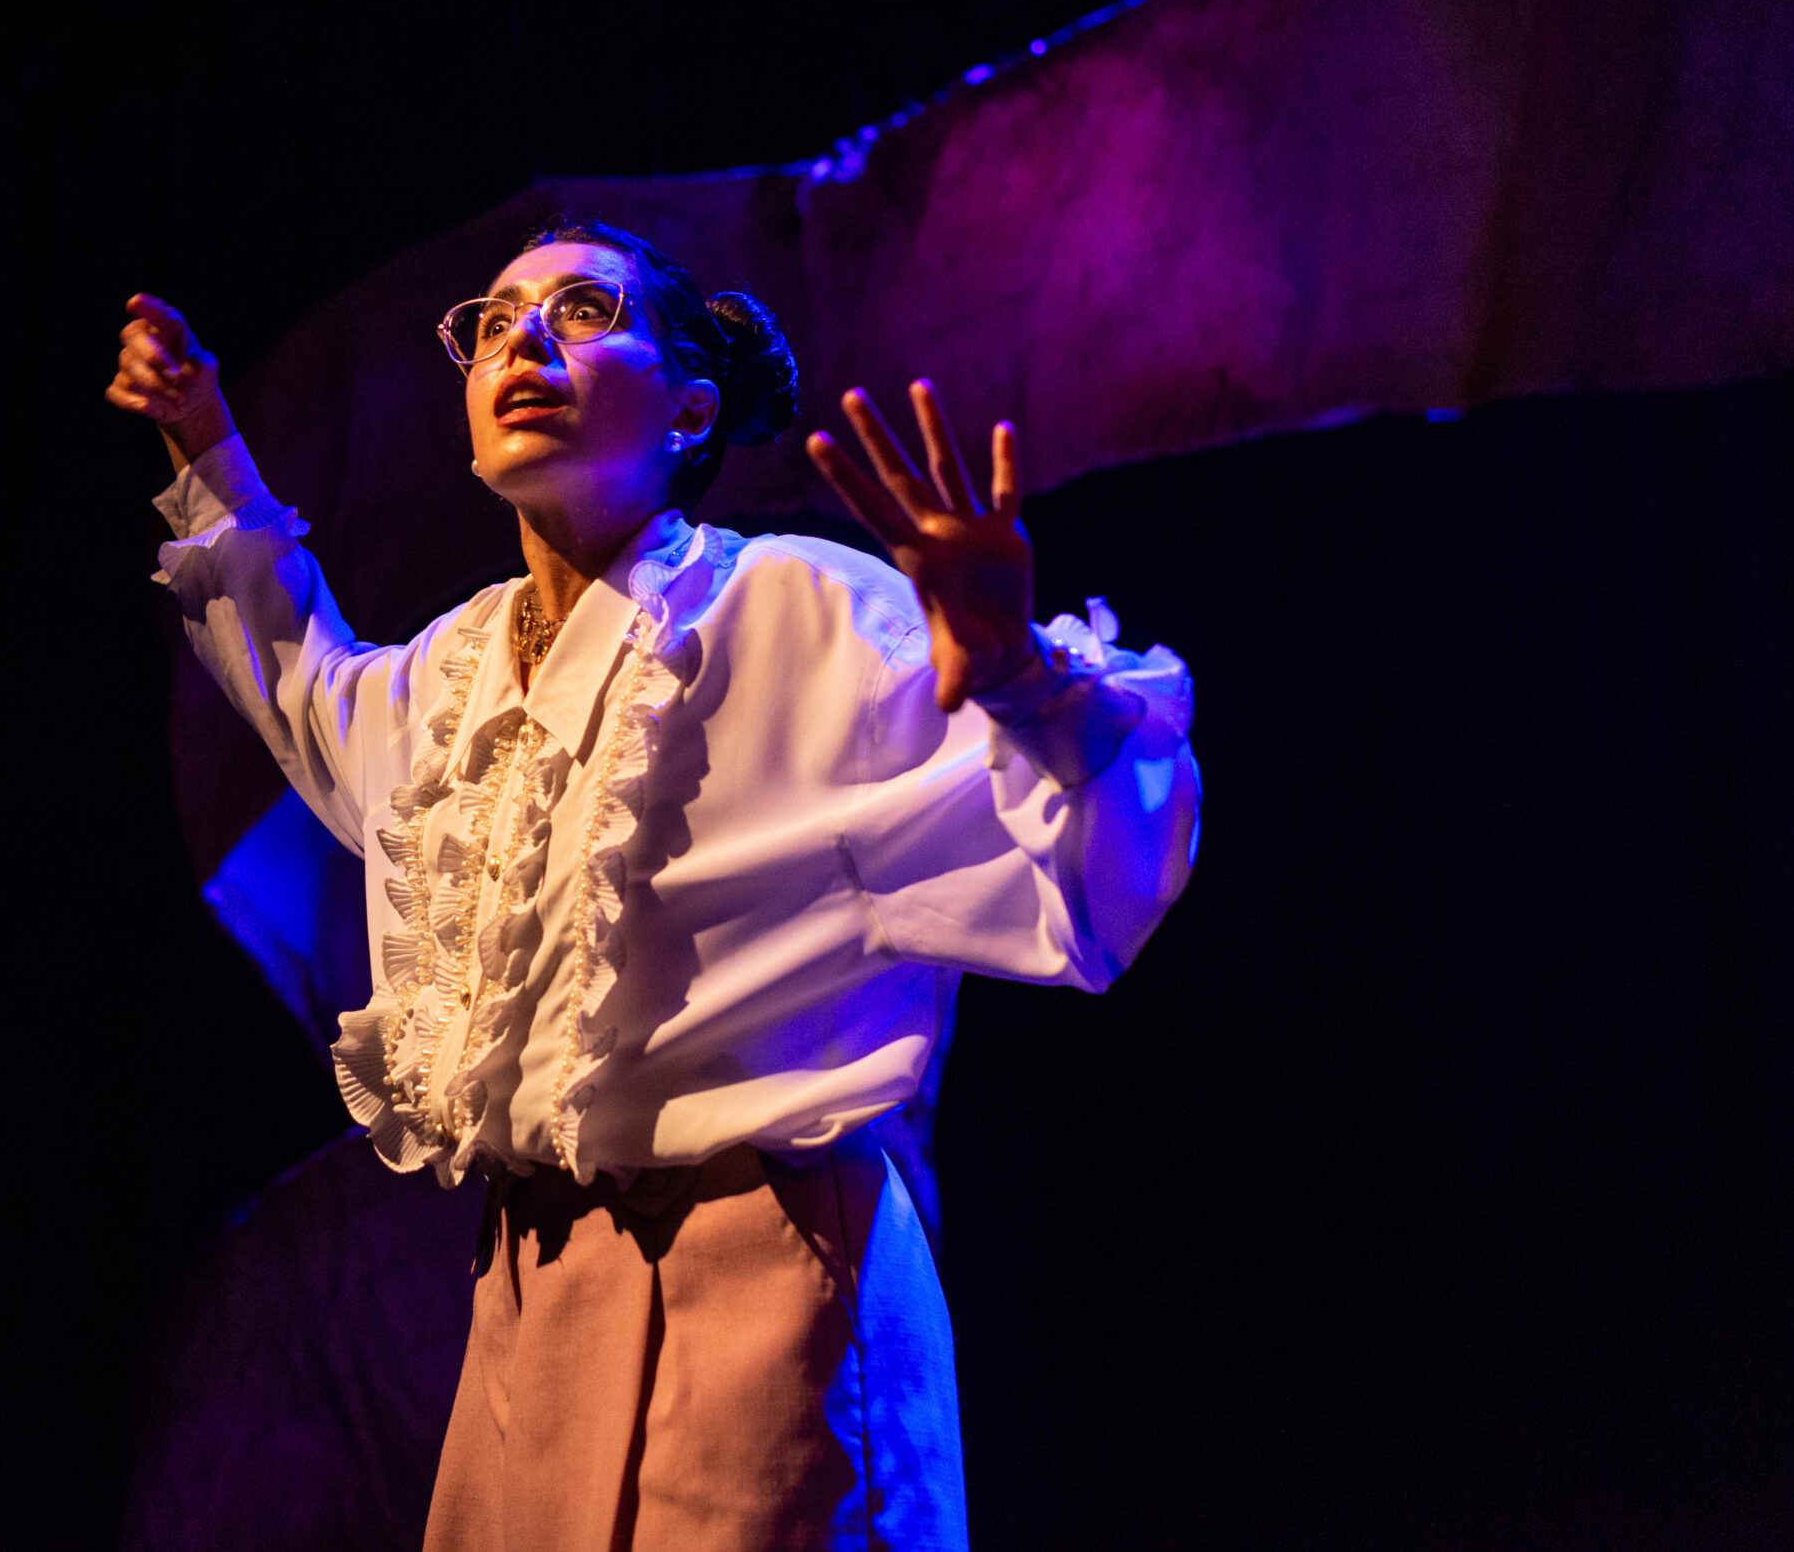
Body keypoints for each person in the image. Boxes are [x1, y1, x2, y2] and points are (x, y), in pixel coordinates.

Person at [109, 220, 1199, 1551]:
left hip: (765, 1286)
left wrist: (1020, 673)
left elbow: (1089, 859)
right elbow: (303, 682)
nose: (525, 337)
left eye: (583, 309)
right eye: (494, 321)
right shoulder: (455, 674)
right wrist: (205, 449)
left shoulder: (793, 608)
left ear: (690, 409)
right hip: (525, 1306)